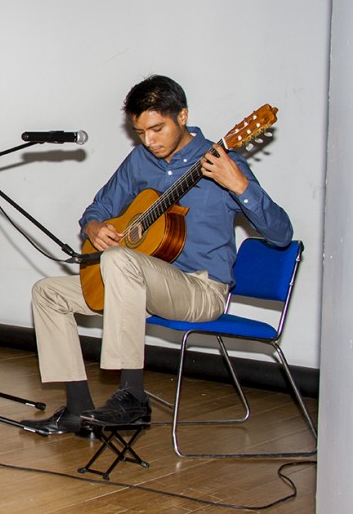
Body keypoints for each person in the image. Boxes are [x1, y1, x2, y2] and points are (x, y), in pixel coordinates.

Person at [27, 75, 292, 435]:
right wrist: (93, 228)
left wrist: (240, 186)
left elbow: (281, 235)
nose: (149, 142)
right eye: (140, 133)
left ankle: (132, 396)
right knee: (48, 291)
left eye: (157, 129)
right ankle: (77, 407)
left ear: (182, 116)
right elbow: (97, 209)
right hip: (137, 288)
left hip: (200, 290)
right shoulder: (140, 160)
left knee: (120, 260)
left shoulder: (225, 162)